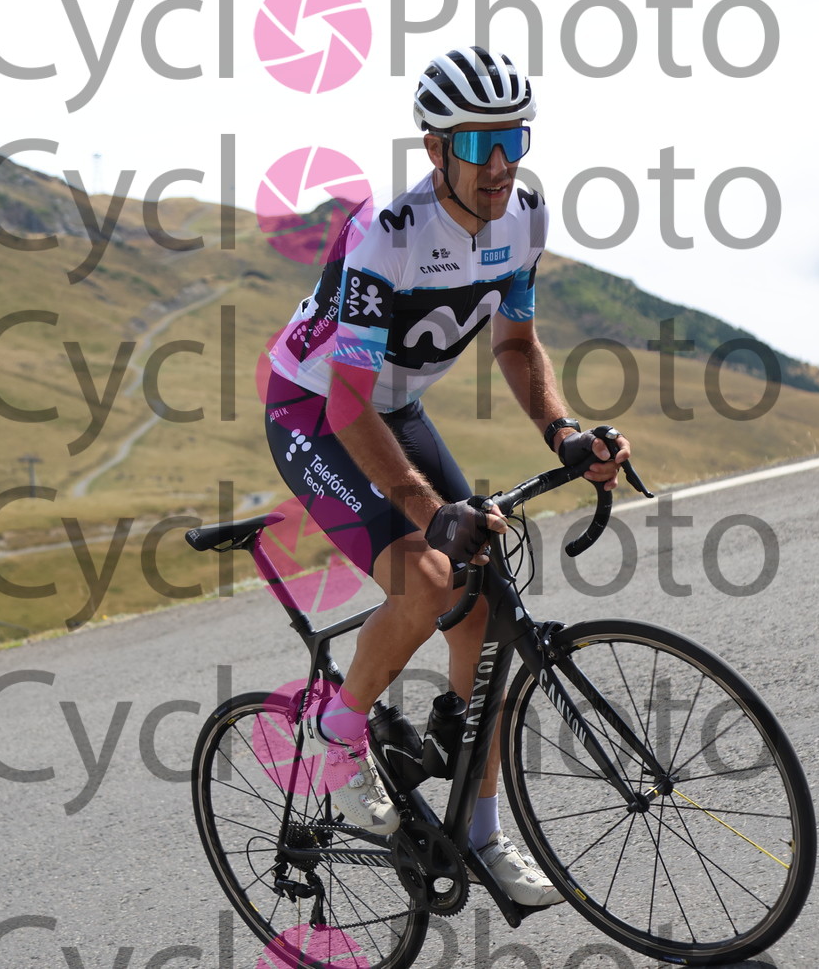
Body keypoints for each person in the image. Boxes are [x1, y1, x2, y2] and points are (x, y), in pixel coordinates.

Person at [262, 46, 631, 907]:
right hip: (317, 408)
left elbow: (516, 342)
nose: (500, 164)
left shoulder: (524, 216)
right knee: (430, 577)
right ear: (436, 148)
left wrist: (564, 433)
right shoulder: (386, 234)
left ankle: (480, 831)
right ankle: (338, 734)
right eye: (477, 144)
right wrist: (432, 512)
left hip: (392, 407)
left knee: (488, 606)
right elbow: (347, 400)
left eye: (514, 139)